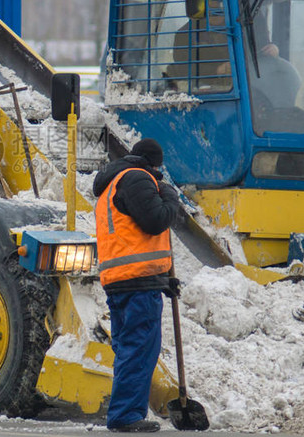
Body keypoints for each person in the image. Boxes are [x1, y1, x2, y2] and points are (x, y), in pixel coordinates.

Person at [93, 139, 184, 433]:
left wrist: (165, 280)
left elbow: (135, 236)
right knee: (140, 348)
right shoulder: (136, 178)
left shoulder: (115, 181)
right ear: (153, 163)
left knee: (130, 347)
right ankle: (125, 415)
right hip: (136, 282)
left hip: (123, 279)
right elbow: (155, 221)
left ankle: (125, 411)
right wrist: (170, 196)